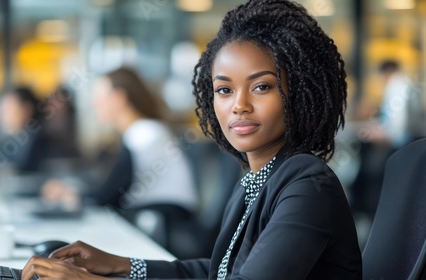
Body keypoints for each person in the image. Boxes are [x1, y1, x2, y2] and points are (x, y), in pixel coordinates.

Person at [22, 0, 362, 279]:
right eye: (225, 90)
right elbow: (219, 272)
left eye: (261, 87)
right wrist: (121, 265)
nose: (239, 106)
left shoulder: (307, 183)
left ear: (300, 93)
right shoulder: (258, 178)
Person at [41, 67, 198, 226]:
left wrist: (73, 196)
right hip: (153, 216)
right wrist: (73, 193)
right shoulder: (139, 132)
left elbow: (111, 193)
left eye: (100, 97)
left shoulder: (146, 133)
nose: (95, 103)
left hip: (168, 218)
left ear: (119, 98)